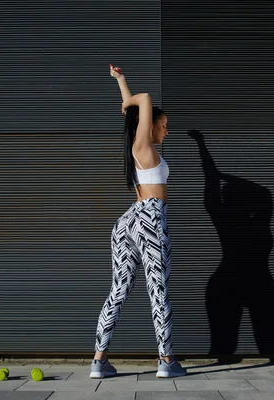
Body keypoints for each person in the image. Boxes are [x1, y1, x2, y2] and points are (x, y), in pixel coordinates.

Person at [89, 65, 187, 379]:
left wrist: (120, 82)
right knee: (158, 290)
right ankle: (167, 360)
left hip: (128, 221)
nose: (166, 132)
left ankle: (99, 361)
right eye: (164, 125)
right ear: (152, 124)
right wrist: (131, 97)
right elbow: (144, 99)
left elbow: (134, 109)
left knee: (118, 291)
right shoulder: (143, 147)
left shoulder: (139, 148)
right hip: (150, 218)